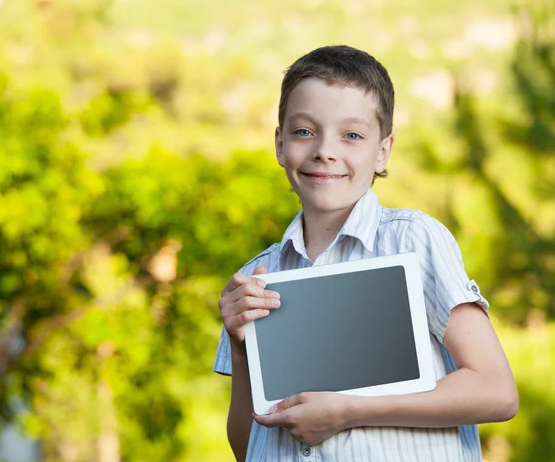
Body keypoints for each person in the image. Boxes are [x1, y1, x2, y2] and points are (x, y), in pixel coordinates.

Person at [213, 45, 517, 462]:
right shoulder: (257, 276)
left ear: (382, 151)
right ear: (280, 144)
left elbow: (495, 391)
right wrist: (241, 347)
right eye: (304, 131)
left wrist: (348, 412)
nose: (325, 150)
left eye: (351, 135)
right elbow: (247, 447)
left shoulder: (412, 241)